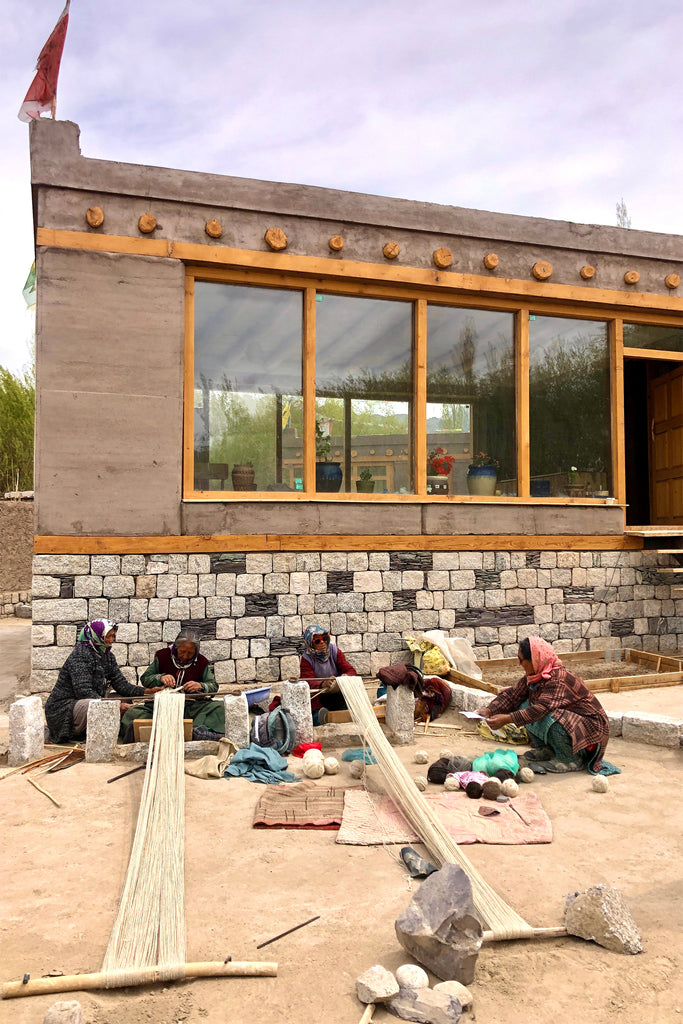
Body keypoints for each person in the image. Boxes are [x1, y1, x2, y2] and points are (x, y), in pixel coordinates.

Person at [476, 636, 617, 774]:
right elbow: (513, 695)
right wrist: (490, 710)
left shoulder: (558, 679)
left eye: (521, 660)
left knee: (550, 715)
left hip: (591, 730)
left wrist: (507, 719)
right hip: (573, 725)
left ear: (535, 660)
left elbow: (540, 709)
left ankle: (570, 758)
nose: (519, 664)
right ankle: (547, 749)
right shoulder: (536, 676)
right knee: (524, 704)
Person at [45, 619, 162, 744]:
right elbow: (84, 692)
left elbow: (121, 684)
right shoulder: (80, 655)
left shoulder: (108, 657)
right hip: (64, 709)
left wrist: (148, 692)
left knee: (124, 698)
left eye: (113, 636)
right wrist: (115, 706)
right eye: (108, 636)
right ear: (96, 636)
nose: (111, 640)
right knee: (97, 704)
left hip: (84, 702)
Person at [120, 629, 224, 742]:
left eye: (190, 653)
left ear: (196, 651)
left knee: (220, 708)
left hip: (192, 708)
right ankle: (190, 732)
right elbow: (145, 678)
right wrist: (160, 678)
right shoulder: (162, 656)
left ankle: (194, 732)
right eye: (182, 651)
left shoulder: (202, 662)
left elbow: (213, 686)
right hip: (161, 707)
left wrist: (201, 686)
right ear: (176, 647)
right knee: (132, 713)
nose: (185, 656)